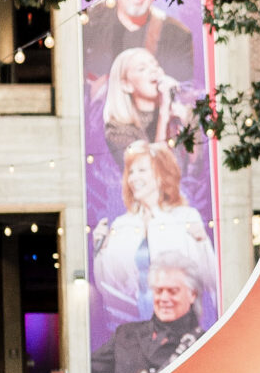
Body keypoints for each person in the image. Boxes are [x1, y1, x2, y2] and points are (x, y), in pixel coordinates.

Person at [90, 140, 215, 329]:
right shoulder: (121, 225)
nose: (133, 178)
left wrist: (202, 243)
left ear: (160, 174)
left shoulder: (185, 217)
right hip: (133, 326)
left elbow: (208, 280)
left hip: (178, 326)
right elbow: (106, 287)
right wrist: (100, 251)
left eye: (141, 170)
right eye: (130, 172)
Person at [102, 252, 204, 373]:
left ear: (193, 294)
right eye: (158, 291)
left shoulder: (203, 343)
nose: (164, 298)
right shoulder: (125, 334)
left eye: (173, 291)